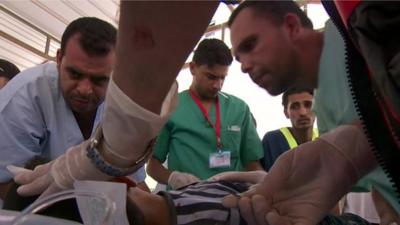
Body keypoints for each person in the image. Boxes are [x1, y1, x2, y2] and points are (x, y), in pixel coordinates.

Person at [221, 1, 400, 225]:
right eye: (238, 58)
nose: (244, 66)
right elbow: (383, 181)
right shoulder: (323, 114)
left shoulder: (357, 30)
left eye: (250, 45)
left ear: (291, 26)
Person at [0, 17, 147, 200]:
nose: (84, 90)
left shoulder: (122, 105)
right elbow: (5, 182)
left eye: (99, 79)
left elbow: (135, 182)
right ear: (59, 58)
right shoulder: (26, 95)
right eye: (75, 74)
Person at [147, 38, 264, 190]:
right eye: (211, 77)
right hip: (185, 199)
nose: (218, 85)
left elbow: (252, 162)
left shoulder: (239, 109)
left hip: (230, 200)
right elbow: (153, 166)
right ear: (193, 68)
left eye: (223, 77)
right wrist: (172, 178)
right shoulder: (171, 107)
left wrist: (263, 185)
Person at [261, 86, 317, 171]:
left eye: (308, 105)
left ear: (317, 108)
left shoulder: (326, 137)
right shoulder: (273, 140)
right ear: (286, 113)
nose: (302, 112)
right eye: (294, 107)